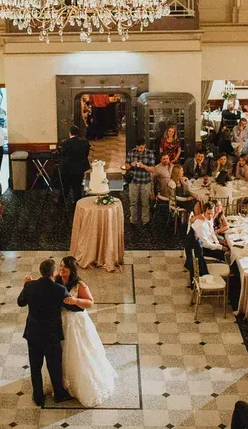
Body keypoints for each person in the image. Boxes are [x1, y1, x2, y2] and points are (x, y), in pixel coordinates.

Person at [51, 256, 116, 406]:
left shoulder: (79, 284)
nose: (61, 270)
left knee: (78, 351)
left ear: (71, 270)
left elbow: (90, 303)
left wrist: (75, 301)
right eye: (60, 267)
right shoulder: (56, 279)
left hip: (75, 322)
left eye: (64, 269)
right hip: (60, 320)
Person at [18, 258, 72, 405]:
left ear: (40, 272)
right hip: (51, 333)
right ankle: (59, 394)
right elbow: (71, 305)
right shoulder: (59, 289)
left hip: (33, 332)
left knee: (35, 366)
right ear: (53, 272)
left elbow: (20, 302)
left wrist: (25, 285)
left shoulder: (30, 286)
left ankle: (38, 396)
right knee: (54, 365)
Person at [59, 124, 91, 208]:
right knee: (78, 184)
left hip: (68, 168)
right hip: (80, 167)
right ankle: (77, 201)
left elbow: (63, 155)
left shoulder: (65, 143)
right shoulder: (85, 142)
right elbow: (86, 154)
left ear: (70, 133)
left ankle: (61, 200)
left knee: (66, 184)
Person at [125, 139, 156, 226]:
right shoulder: (131, 153)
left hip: (145, 182)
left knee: (145, 202)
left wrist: (143, 166)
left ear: (144, 145)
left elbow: (153, 169)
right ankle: (133, 220)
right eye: (138, 148)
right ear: (136, 146)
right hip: (133, 181)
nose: (139, 150)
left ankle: (145, 220)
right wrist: (131, 164)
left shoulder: (150, 154)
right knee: (133, 202)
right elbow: (125, 166)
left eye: (141, 148)